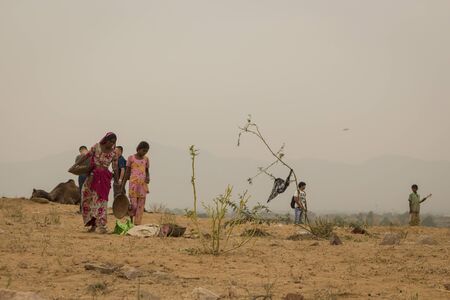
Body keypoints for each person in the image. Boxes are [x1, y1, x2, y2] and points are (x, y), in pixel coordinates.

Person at [69, 132, 118, 233]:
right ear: (106, 140)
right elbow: (85, 156)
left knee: (101, 201)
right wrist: (75, 166)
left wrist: (117, 181)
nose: (111, 144)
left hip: (104, 179)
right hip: (92, 176)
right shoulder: (97, 147)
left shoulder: (114, 153)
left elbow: (115, 168)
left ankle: (102, 226)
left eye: (114, 142)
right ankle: (93, 225)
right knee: (86, 199)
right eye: (110, 141)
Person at [121, 141, 150, 225]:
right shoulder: (131, 158)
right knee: (133, 205)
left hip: (142, 185)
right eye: (143, 150)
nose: (144, 152)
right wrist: (123, 185)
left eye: (146, 151)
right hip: (133, 185)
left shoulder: (146, 159)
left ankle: (137, 224)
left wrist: (148, 177)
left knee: (141, 206)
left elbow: (147, 171)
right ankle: (131, 221)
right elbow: (127, 172)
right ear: (138, 149)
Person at [75, 146, 90, 212]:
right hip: (90, 176)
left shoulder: (78, 157)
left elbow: (76, 167)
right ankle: (88, 209)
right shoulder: (91, 156)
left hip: (82, 175)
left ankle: (82, 209)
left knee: (82, 191)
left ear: (81, 150)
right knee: (89, 192)